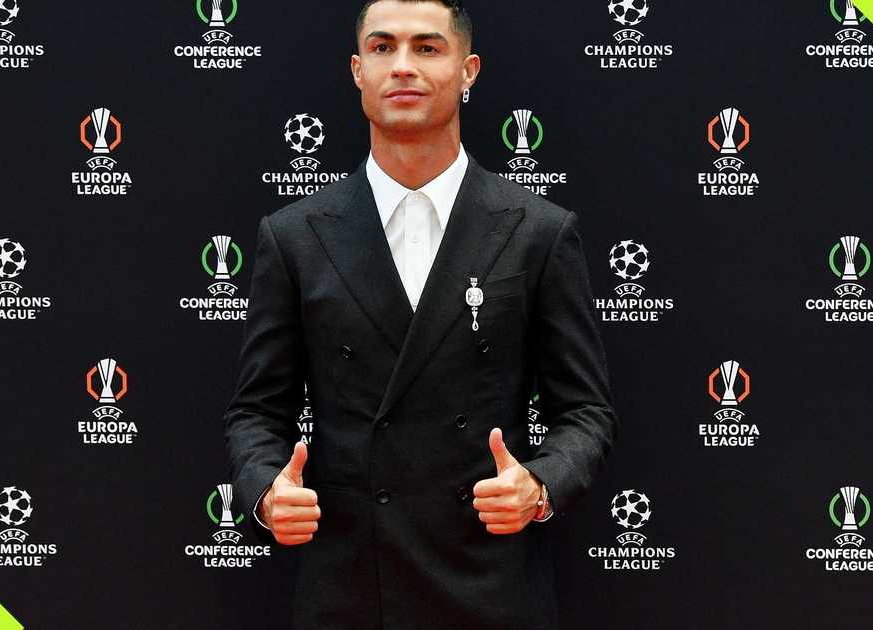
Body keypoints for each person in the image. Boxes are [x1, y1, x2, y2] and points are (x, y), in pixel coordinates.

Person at [223, 1, 619, 627]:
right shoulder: (294, 236)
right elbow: (256, 410)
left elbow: (586, 411)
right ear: (358, 71)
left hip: (491, 584)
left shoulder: (539, 231)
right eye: (382, 48)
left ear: (468, 69)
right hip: (351, 587)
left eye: (427, 48)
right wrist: (268, 490)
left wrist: (540, 487)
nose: (402, 66)